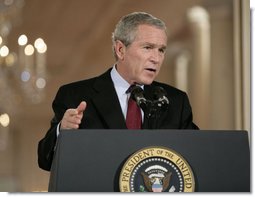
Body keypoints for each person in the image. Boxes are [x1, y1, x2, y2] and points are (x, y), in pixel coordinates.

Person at [38, 12, 199, 171]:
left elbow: (196, 155)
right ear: (120, 50)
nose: (156, 58)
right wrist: (63, 131)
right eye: (148, 47)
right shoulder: (75, 95)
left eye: (161, 50)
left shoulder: (176, 101)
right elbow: (45, 160)